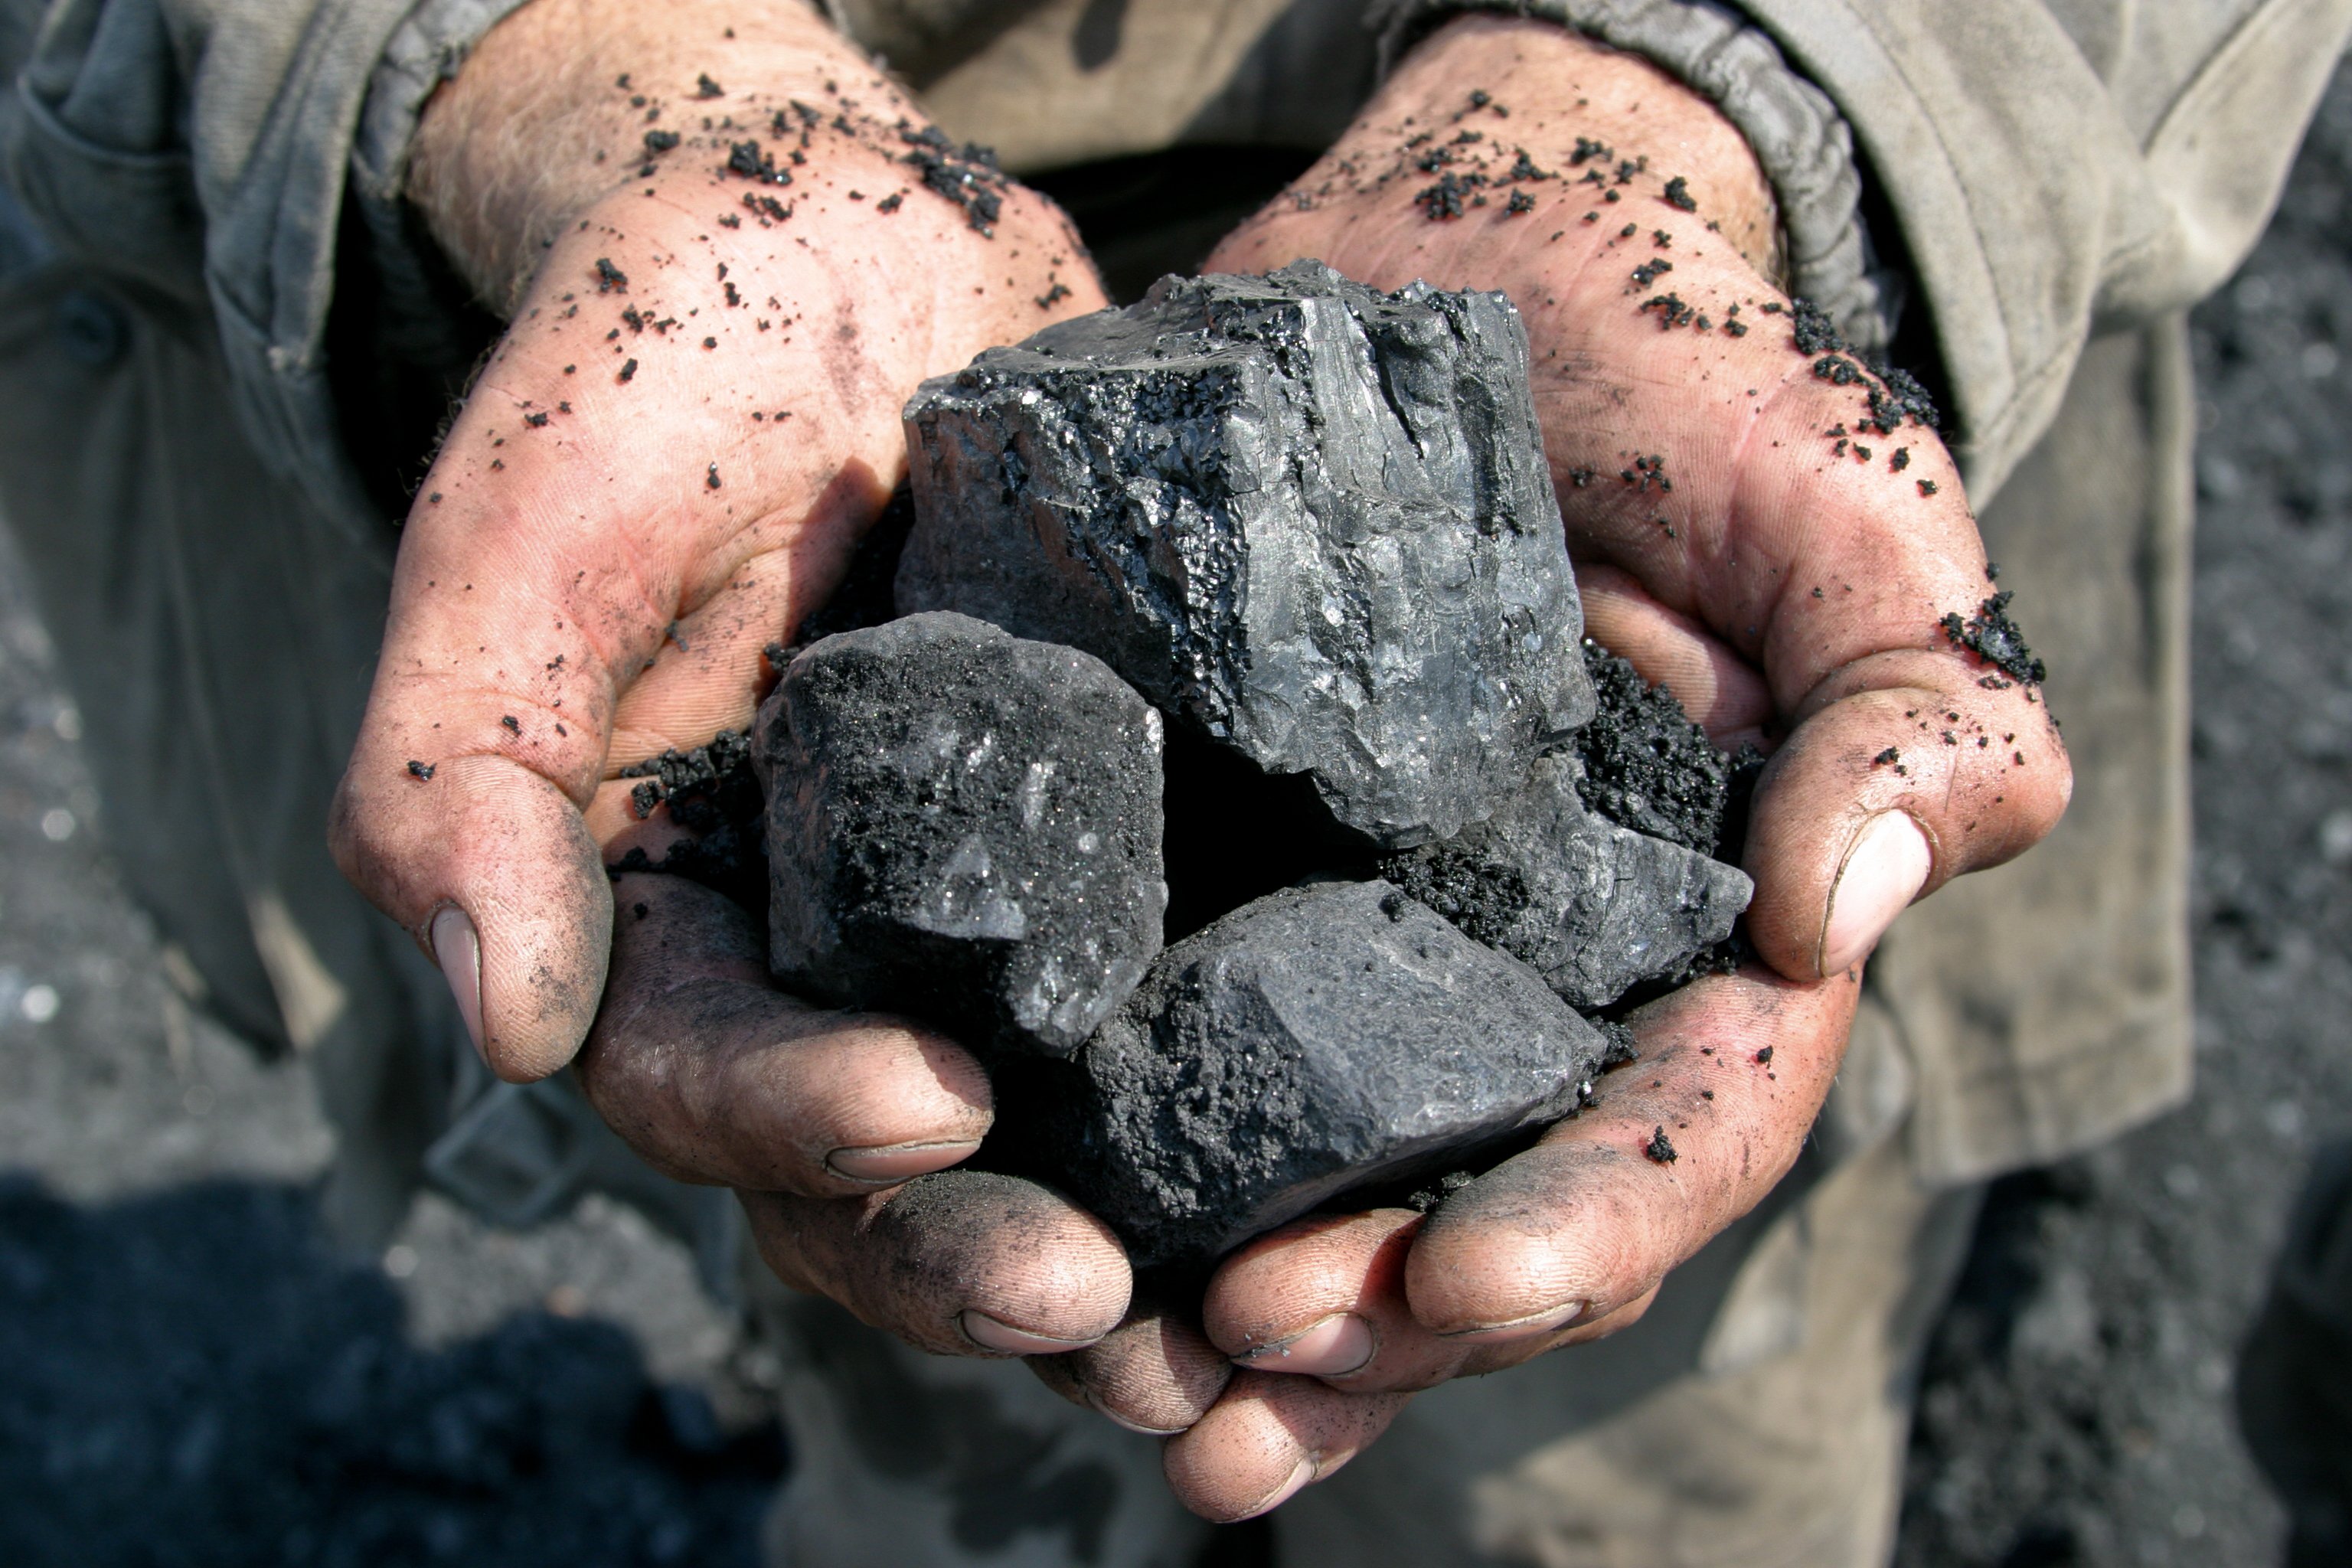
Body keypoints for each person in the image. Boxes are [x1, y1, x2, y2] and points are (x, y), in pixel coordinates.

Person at [0, 0, 2344, 1561]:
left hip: (1663, 395)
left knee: (1628, 1472)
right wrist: (535, 61)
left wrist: (1736, 88)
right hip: (697, 387)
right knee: (914, 1326)